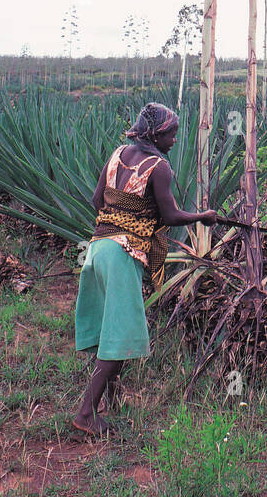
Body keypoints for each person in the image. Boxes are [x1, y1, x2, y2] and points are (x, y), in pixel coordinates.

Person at [72, 102, 217, 435]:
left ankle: (110, 399)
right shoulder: (159, 167)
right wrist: (201, 217)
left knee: (109, 331)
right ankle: (85, 414)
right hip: (123, 253)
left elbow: (98, 201)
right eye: (172, 134)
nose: (175, 140)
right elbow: (170, 217)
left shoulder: (117, 154)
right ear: (156, 133)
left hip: (98, 249)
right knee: (119, 335)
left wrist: (119, 215)